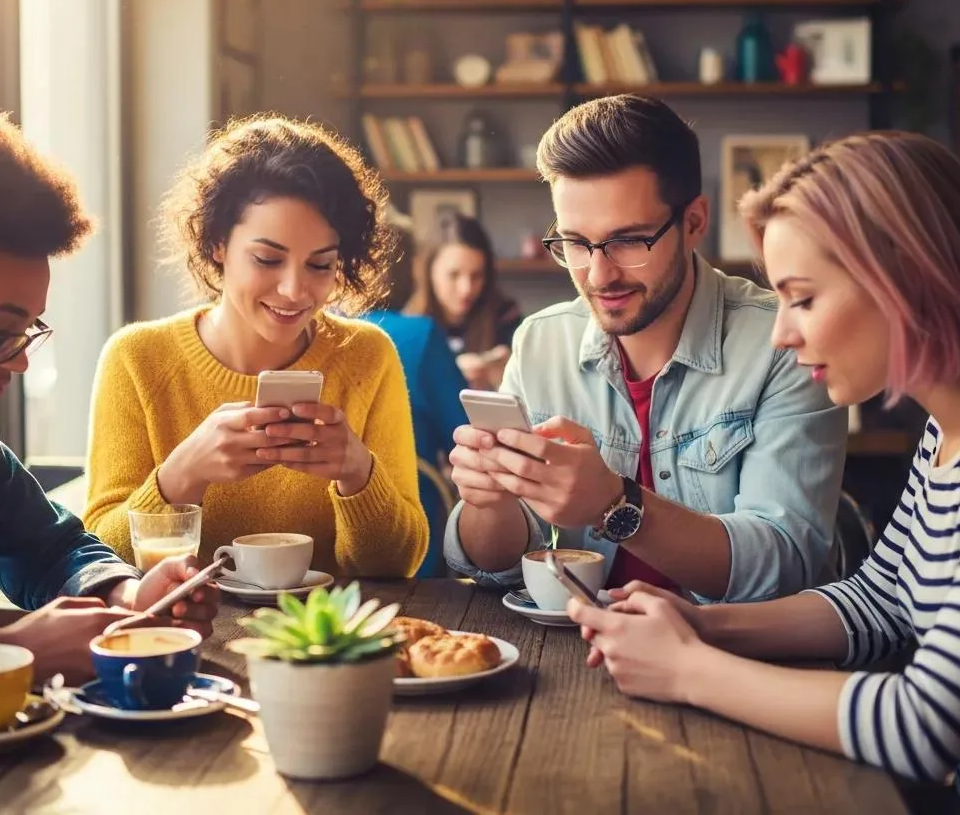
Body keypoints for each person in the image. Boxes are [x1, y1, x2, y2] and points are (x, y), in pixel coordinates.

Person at [567, 132, 960, 808]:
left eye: (804, 299)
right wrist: (706, 625)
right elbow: (879, 603)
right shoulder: (947, 434)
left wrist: (690, 671)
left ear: (906, 281)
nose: (782, 333)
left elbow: (921, 725)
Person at [445, 94, 847, 603]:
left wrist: (614, 504)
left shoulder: (784, 343)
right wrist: (489, 501)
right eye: (575, 243)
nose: (599, 274)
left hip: (726, 659)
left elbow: (787, 566)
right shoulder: (540, 342)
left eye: (629, 240)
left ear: (694, 223)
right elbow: (496, 569)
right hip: (568, 654)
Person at [83, 115, 428, 576]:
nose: (294, 290)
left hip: (325, 642)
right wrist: (182, 476)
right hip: (189, 637)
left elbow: (397, 567)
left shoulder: (366, 356)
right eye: (268, 259)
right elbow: (100, 560)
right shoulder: (137, 359)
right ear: (218, 244)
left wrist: (357, 473)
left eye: (320, 265)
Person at [0, 113, 218, 684]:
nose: (20, 361)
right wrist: (17, 653)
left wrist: (127, 592)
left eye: (28, 334)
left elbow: (49, 547)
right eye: (1, 331)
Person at [360, 216, 467, 576]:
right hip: (410, 534)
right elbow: (467, 434)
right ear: (414, 269)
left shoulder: (321, 331)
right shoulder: (420, 335)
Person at [405, 212, 522, 390]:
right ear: (428, 272)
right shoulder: (408, 327)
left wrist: (507, 377)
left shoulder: (506, 318)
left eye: (476, 275)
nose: (466, 289)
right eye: (454, 275)